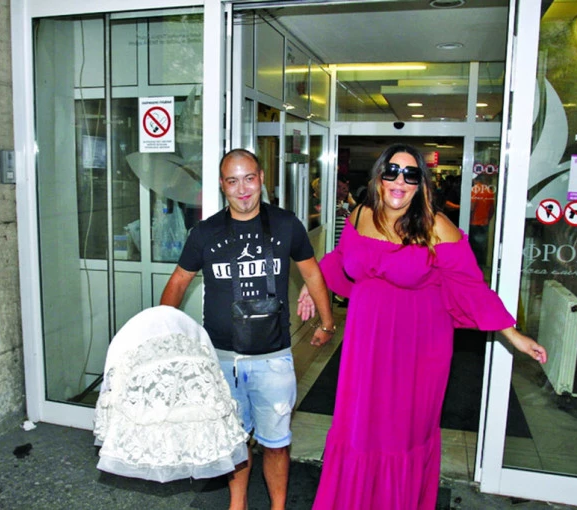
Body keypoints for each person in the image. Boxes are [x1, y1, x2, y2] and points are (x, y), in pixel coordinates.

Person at [298, 143, 547, 509]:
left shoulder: (436, 226)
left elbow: (472, 287)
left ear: (420, 184)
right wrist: (313, 282)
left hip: (418, 345)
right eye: (392, 172)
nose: (400, 181)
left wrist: (513, 334)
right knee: (359, 426)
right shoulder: (361, 214)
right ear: (379, 178)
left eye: (411, 175)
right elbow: (341, 257)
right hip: (366, 341)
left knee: (400, 432)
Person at [160, 148, 336, 510]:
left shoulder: (286, 224)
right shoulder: (205, 232)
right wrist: (161, 331)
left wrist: (327, 322)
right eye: (233, 181)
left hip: (274, 359)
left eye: (249, 179)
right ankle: (237, 504)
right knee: (234, 442)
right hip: (223, 360)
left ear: (261, 180)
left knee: (276, 443)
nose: (242, 190)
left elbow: (312, 273)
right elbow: (178, 281)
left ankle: (278, 507)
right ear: (222, 186)